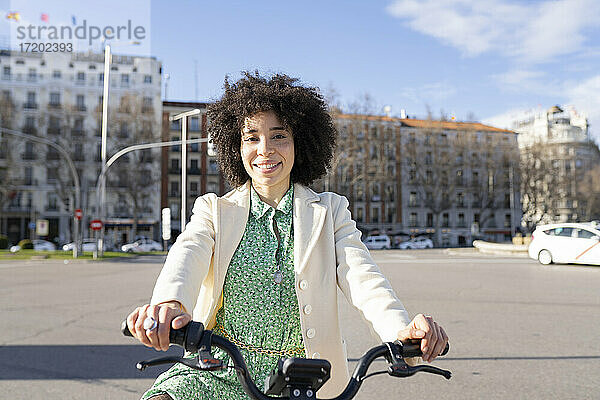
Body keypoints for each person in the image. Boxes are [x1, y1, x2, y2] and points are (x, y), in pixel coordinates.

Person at [127, 72, 448, 400]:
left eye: (278, 136)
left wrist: (402, 331)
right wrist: (170, 303)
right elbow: (188, 253)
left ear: (300, 143)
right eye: (251, 137)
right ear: (236, 147)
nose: (264, 150)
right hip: (216, 368)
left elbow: (364, 279)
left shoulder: (330, 211)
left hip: (303, 379)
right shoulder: (215, 210)